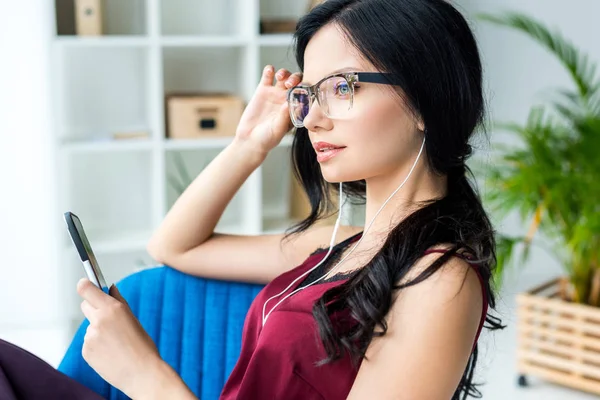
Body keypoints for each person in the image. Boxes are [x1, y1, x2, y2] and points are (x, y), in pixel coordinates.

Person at [0, 0, 504, 398]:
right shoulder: (347, 245)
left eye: (341, 87)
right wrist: (249, 144)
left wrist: (146, 377)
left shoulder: (440, 279)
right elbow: (175, 246)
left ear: (424, 99)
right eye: (308, 95)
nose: (312, 119)